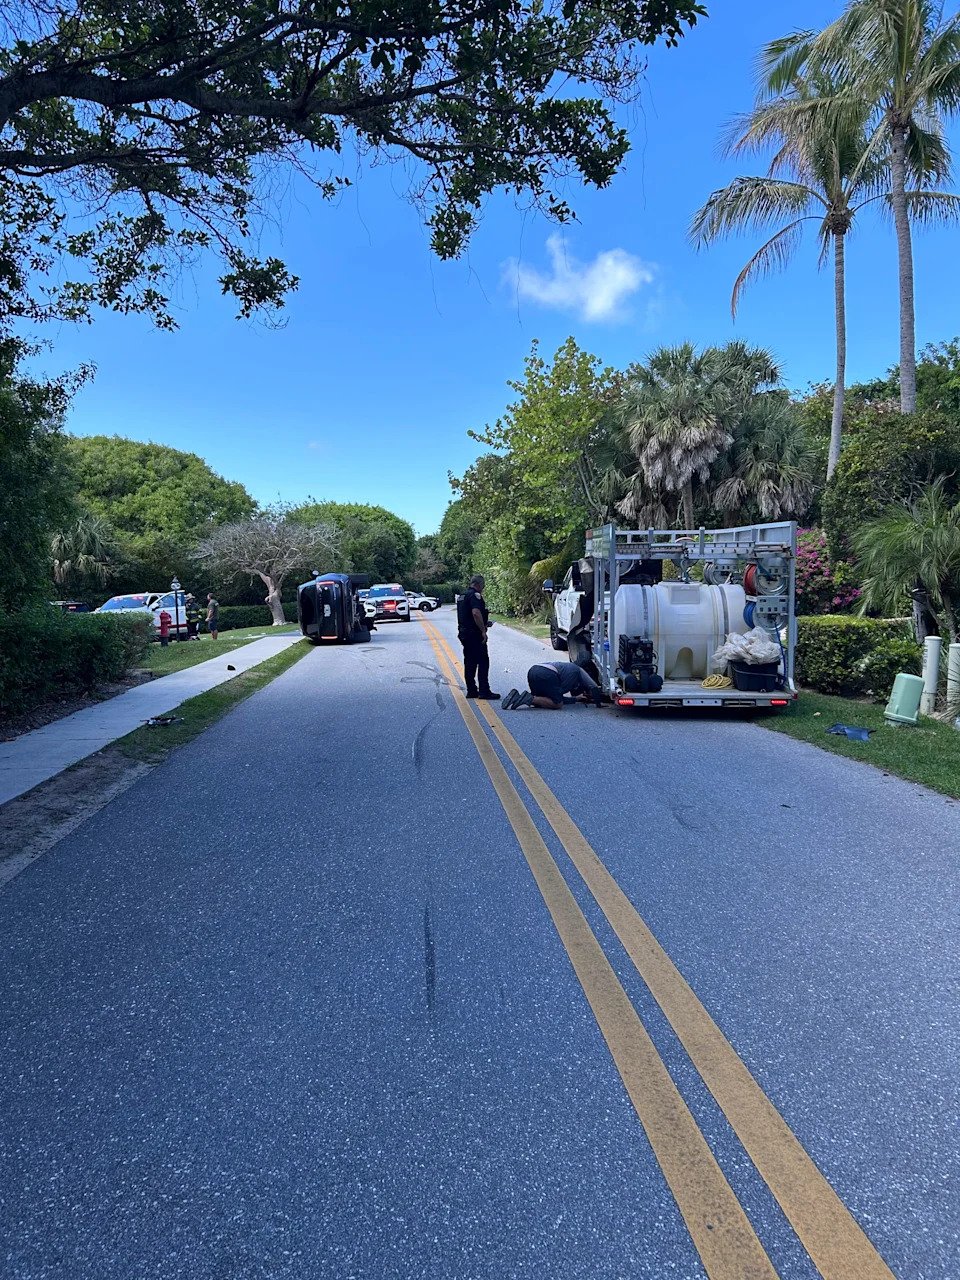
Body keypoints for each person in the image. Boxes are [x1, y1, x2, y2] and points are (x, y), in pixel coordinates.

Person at [456, 574, 499, 700]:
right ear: (478, 584)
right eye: (483, 586)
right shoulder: (475, 596)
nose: (483, 589)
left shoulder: (462, 596)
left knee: (469, 661)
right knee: (483, 661)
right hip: (474, 634)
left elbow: (467, 615)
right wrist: (483, 631)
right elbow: (475, 613)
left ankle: (471, 690)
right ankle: (484, 690)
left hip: (464, 633)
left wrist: (485, 622)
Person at [502, 661, 603, 710]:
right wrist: (598, 704)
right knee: (557, 704)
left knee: (543, 701)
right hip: (547, 674)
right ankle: (529, 698)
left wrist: (576, 698)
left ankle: (517, 697)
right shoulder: (577, 671)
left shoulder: (567, 668)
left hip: (533, 670)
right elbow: (593, 686)